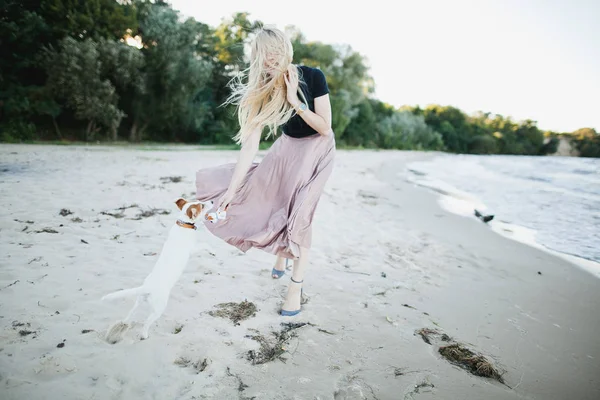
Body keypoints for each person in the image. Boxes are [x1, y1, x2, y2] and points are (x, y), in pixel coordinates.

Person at [195, 26, 335, 316]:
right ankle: (280, 258)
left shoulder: (313, 76)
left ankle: (295, 288)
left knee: (300, 215)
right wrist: (232, 193)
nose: (271, 61)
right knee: (267, 198)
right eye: (265, 57)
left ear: (285, 49)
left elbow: (324, 127)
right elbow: (250, 147)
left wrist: (296, 104)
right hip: (287, 148)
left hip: (317, 150)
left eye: (275, 54)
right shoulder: (262, 88)